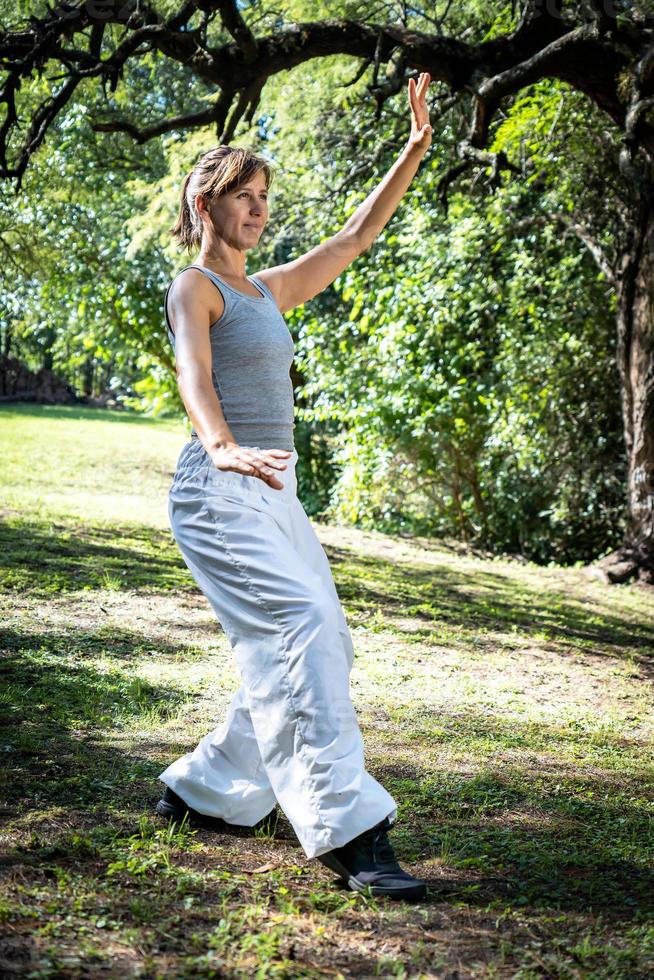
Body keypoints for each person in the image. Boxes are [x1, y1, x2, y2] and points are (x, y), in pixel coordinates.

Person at [155, 72, 434, 901]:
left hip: (275, 493)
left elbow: (354, 237)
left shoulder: (266, 290)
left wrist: (414, 148)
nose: (259, 208)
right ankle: (353, 832)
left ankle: (204, 791)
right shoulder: (195, 288)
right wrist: (223, 443)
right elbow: (192, 374)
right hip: (218, 488)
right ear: (206, 205)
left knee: (321, 636)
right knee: (302, 626)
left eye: (265, 195)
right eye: (244, 195)